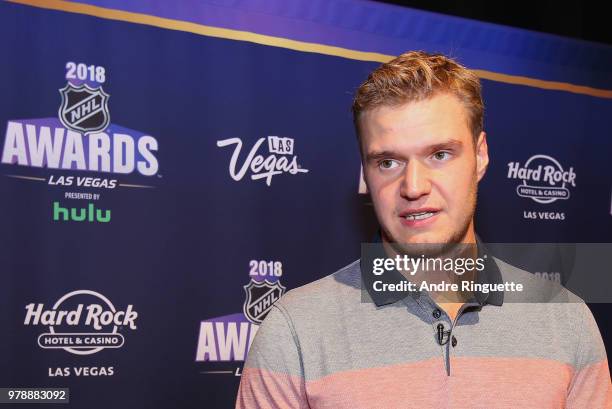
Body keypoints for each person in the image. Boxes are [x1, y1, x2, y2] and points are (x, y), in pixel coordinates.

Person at [236, 51, 611, 408]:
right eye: (388, 162)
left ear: (480, 155)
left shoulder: (565, 319)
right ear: (365, 172)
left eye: (440, 154)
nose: (413, 186)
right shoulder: (296, 329)